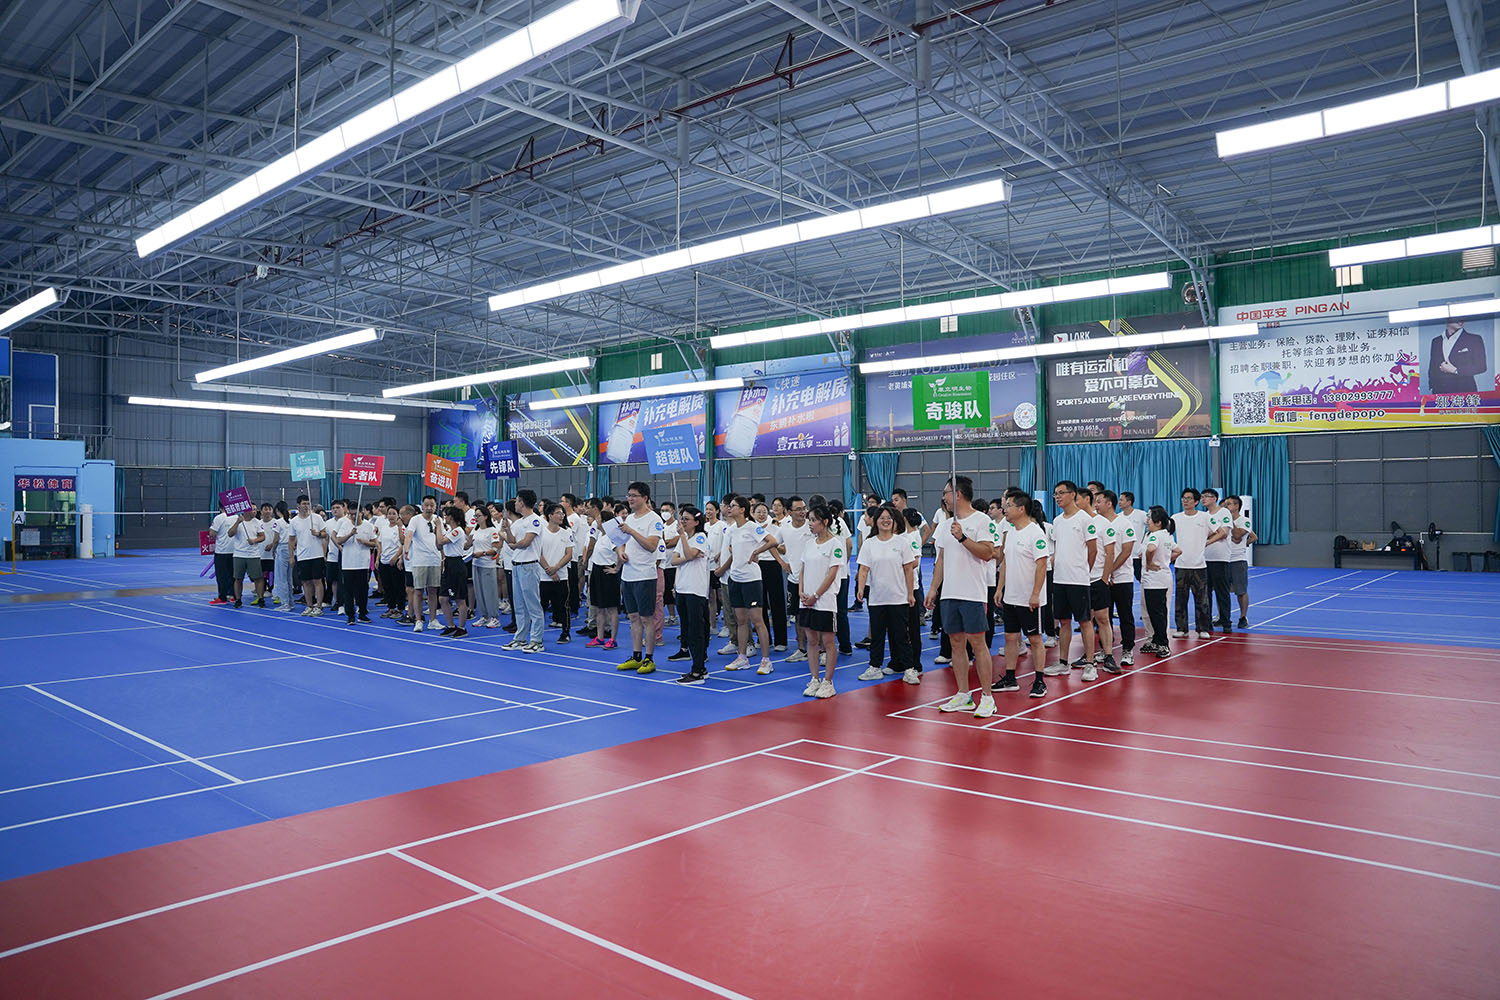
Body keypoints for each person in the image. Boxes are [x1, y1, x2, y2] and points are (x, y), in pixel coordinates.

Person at [926, 476, 1003, 718]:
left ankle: (987, 697)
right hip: (950, 593)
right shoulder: (944, 525)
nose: (944, 498)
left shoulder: (982, 521)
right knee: (956, 644)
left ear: (958, 494)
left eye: (946, 493)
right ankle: (963, 695)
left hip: (973, 593)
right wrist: (933, 588)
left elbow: (988, 553)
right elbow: (941, 560)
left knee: (978, 644)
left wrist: (962, 538)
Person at [996, 488, 1050, 699]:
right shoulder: (1011, 533)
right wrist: (1000, 589)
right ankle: (1010, 678)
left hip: (1030, 599)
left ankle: (1039, 681)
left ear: (1021, 509)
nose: (1005, 509)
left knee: (1035, 639)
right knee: (1010, 637)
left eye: (1009, 506)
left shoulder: (1035, 533)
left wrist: (1035, 594)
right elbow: (1005, 563)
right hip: (1011, 596)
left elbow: (1042, 564)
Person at [855, 504, 916, 684]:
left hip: (898, 598)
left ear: (894, 521)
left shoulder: (901, 542)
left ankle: (909, 669)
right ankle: (875, 667)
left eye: (889, 518)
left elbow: (909, 569)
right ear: (876, 522)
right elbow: (863, 569)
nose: (886, 521)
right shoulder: (869, 543)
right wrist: (860, 589)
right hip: (877, 599)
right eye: (882, 518)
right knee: (877, 636)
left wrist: (910, 593)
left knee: (901, 636)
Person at [716, 494, 773, 675]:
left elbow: (772, 541)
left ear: (742, 509)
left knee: (757, 621)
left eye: (733, 506)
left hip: (751, 580)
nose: (729, 508)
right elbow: (734, 550)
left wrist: (756, 551)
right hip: (735, 579)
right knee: (741, 621)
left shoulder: (752, 527)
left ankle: (766, 661)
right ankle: (742, 658)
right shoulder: (732, 529)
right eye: (729, 506)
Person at [1048, 480, 1097, 677]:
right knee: (1064, 621)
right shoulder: (1057, 521)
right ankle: (1062, 662)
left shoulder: (1085, 519)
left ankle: (1090, 664)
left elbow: (1093, 550)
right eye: (1055, 494)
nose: (1057, 497)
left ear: (1073, 494)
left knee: (1085, 621)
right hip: (1060, 579)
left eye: (1061, 493)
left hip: (1078, 580)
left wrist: (1083, 570)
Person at [797, 503, 845, 698]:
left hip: (824, 601)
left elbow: (832, 574)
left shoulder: (835, 544)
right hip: (806, 600)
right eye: (809, 520)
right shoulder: (809, 544)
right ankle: (815, 679)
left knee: (828, 641)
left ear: (825, 521)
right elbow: (803, 569)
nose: (810, 524)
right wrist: (801, 591)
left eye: (813, 520)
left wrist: (816, 596)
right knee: (811, 640)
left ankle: (828, 682)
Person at [617, 482, 664, 674]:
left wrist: (632, 531)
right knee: (633, 617)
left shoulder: (654, 519)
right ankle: (636, 656)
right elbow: (621, 542)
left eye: (634, 495)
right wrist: (621, 552)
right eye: (628, 495)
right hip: (628, 574)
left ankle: (649, 658)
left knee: (646, 618)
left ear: (645, 498)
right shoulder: (629, 518)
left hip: (645, 575)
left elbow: (651, 546)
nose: (630, 499)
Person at [670, 505, 711, 684]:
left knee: (696, 631)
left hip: (695, 589)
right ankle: (699, 668)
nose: (683, 522)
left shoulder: (700, 537)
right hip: (682, 588)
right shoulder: (685, 538)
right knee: (686, 629)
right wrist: (688, 556)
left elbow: (689, 553)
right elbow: (674, 560)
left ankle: (698, 671)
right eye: (682, 518)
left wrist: (685, 548)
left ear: (696, 522)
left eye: (686, 519)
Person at [1096, 490, 1137, 668]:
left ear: (1109, 504)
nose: (1096, 505)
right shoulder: (1097, 524)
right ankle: (1106, 650)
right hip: (1102, 579)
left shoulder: (1124, 523)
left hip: (1121, 578)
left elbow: (1126, 551)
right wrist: (1104, 575)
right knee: (1103, 617)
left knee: (1125, 615)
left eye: (1099, 502)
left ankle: (1127, 649)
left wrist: (1109, 571)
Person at [502, 490, 546, 653]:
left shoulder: (535, 520)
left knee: (533, 605)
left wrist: (514, 545)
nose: (515, 504)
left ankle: (537, 640)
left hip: (529, 565)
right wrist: (507, 530)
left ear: (522, 502)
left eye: (517, 501)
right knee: (519, 605)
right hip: (516, 565)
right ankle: (520, 638)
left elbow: (526, 542)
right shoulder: (518, 522)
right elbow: (512, 540)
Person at [1173, 488, 1212, 639]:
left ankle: (1202, 628)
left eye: (1189, 498)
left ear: (1196, 501)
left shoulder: (1204, 517)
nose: (1185, 501)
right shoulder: (1176, 518)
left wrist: (1205, 542)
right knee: (1180, 599)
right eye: (1184, 498)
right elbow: (1165, 535)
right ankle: (1181, 628)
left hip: (1199, 565)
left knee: (1202, 599)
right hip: (1181, 564)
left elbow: (1221, 531)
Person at [1141, 506, 1179, 656]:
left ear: (1158, 522)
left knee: (1156, 613)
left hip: (1154, 580)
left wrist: (1150, 562)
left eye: (1150, 519)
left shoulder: (1155, 535)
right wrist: (1166, 560)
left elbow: (1150, 549)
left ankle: (1163, 644)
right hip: (1163, 577)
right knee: (1159, 612)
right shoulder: (1167, 535)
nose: (1147, 521)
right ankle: (1157, 641)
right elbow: (1178, 550)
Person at [752, 501, 788, 652]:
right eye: (758, 512)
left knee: (777, 602)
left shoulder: (776, 529)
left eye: (764, 512)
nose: (761, 515)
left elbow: (783, 548)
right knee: (759, 605)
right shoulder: (750, 528)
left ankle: (781, 640)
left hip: (773, 566)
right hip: (756, 567)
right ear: (753, 513)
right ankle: (764, 639)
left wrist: (779, 553)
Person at [780, 497, 812, 663]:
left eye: (804, 508)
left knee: (815, 616)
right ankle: (801, 649)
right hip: (794, 579)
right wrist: (782, 563)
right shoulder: (784, 528)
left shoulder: (811, 526)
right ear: (789, 512)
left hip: (812, 580)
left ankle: (821, 650)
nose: (802, 512)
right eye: (798, 509)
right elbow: (771, 543)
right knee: (798, 616)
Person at [585, 498, 621, 649]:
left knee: (611, 608)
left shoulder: (612, 538)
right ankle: (599, 637)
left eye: (599, 519)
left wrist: (616, 569)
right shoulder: (601, 536)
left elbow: (621, 553)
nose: (596, 521)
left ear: (605, 522)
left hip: (608, 573)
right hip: (597, 571)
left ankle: (612, 638)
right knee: (599, 607)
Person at [404, 497, 442, 633]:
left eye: (432, 505)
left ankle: (433, 620)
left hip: (435, 559)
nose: (429, 508)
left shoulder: (438, 520)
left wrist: (439, 526)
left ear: (435, 506)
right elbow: (409, 535)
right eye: (426, 505)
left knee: (433, 591)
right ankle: (418, 620)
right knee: (418, 591)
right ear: (422, 506)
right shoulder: (415, 520)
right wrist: (406, 549)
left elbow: (440, 539)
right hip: (420, 560)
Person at [538, 500, 574, 644]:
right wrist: (549, 570)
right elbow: (538, 554)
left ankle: (565, 633)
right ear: (550, 515)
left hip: (562, 576)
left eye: (562, 513)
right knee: (541, 607)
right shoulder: (541, 533)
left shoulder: (566, 533)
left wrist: (556, 568)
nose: (561, 516)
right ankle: (537, 634)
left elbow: (569, 554)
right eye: (558, 513)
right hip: (544, 577)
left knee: (563, 606)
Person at [287, 494, 328, 616]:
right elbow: (291, 540)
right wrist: (291, 556)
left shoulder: (317, 518)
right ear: (298, 506)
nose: (306, 506)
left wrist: (318, 534)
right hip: (302, 556)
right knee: (306, 582)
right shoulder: (294, 521)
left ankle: (318, 607)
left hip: (317, 555)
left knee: (317, 581)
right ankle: (309, 606)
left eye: (308, 503)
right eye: (303, 504)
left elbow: (325, 534)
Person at [1202, 488, 1235, 632]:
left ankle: (1226, 622)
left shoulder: (1224, 512)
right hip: (1204, 559)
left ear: (1214, 498)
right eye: (1202, 496)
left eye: (1207, 496)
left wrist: (1208, 541)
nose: (1203, 499)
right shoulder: (1203, 515)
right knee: (1205, 592)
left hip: (1220, 558)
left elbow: (1224, 533)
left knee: (1222, 592)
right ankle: (1207, 622)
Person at [435, 506, 471, 638]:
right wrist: (437, 531)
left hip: (457, 564)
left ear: (451, 517)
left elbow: (442, 541)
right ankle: (450, 626)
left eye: (446, 515)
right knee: (443, 598)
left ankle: (462, 628)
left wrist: (439, 526)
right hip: (448, 563)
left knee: (459, 599)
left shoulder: (458, 531)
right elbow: (439, 545)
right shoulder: (450, 531)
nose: (445, 517)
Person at [340, 503, 378, 625]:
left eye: (355, 514)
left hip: (362, 563)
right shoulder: (345, 525)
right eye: (350, 514)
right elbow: (339, 540)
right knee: (348, 591)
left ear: (361, 512)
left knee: (362, 590)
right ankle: (350, 615)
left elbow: (375, 543)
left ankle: (362, 613)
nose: (353, 516)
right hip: (348, 564)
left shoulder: (368, 526)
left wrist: (365, 542)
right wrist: (350, 534)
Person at [1428, 319, 1487, 394]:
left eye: (1463, 317)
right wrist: (1432, 386)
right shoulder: (1436, 341)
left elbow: (1481, 367)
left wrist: (1455, 370)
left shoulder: (1474, 339)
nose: (1461, 320)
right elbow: (1432, 366)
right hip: (1439, 392)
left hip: (1464, 390)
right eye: (1456, 317)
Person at [1225, 495, 1258, 628]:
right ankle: (1222, 616)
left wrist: (1230, 522)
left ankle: (1243, 617)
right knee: (1222, 591)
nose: (1226, 507)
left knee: (1241, 591)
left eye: (1228, 504)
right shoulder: (1221, 520)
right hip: (1223, 559)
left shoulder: (1245, 521)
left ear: (1236, 506)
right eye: (1225, 504)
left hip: (1238, 560)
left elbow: (1238, 535)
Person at [901, 507, 926, 683]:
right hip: (899, 587)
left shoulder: (913, 536)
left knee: (913, 628)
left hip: (912, 586)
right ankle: (902, 662)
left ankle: (916, 664)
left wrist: (899, 566)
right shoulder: (902, 536)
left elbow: (915, 561)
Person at [228, 506, 265, 609]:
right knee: (238, 578)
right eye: (252, 509)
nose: (254, 511)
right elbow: (230, 534)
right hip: (239, 554)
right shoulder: (237, 521)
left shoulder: (257, 522)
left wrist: (254, 540)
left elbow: (262, 536)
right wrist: (237, 522)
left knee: (258, 578)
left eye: (255, 509)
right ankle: (238, 599)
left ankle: (260, 598)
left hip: (253, 554)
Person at [470, 505, 501, 628]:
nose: (476, 518)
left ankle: (494, 617)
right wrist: (468, 544)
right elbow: (468, 545)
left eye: (479, 515)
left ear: (486, 517)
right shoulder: (475, 530)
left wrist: (482, 553)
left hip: (487, 564)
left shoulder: (492, 531)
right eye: (475, 516)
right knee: (479, 591)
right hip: (476, 563)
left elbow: (495, 549)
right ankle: (484, 616)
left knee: (490, 592)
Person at [377, 505, 405, 620]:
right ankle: (391, 607)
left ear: (398, 515)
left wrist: (396, 557)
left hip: (395, 561)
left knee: (398, 585)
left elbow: (403, 543)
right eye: (389, 514)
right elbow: (380, 544)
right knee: (387, 586)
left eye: (394, 514)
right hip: (384, 560)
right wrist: (378, 558)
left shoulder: (401, 528)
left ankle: (400, 608)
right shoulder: (384, 528)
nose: (391, 516)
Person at [208, 505, 236, 605]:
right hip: (235, 551)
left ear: (220, 508)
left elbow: (212, 533)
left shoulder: (219, 518)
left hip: (222, 551)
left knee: (221, 576)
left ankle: (222, 597)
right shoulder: (237, 517)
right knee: (232, 575)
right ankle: (233, 595)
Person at [252, 502, 278, 608]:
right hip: (260, 554)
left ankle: (276, 594)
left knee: (276, 575)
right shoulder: (258, 523)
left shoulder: (276, 522)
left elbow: (278, 537)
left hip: (273, 554)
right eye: (265, 509)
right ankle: (260, 595)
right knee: (259, 576)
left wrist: (272, 545)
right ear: (261, 511)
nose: (267, 511)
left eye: (269, 509)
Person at [271, 501, 293, 610]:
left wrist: (273, 550)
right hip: (291, 549)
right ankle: (290, 601)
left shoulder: (278, 522)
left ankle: (285, 603)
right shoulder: (292, 522)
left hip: (282, 548)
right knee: (289, 578)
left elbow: (276, 539)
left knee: (281, 577)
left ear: (277, 510)